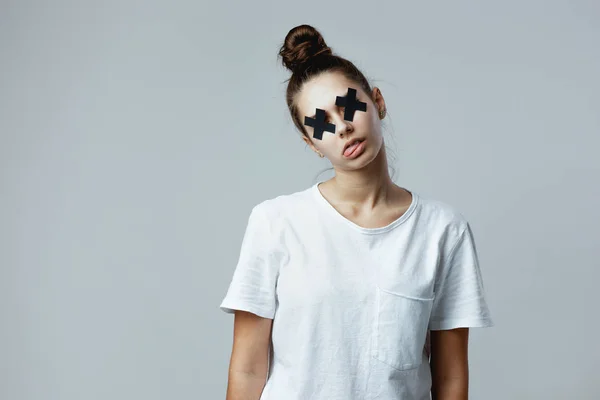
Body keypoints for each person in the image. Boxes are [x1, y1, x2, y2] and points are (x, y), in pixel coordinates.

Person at [219, 24, 494, 400]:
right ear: (311, 144)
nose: (343, 127)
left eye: (348, 107)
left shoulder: (443, 231)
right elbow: (248, 369)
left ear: (377, 101)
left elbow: (450, 379)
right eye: (321, 123)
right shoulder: (275, 223)